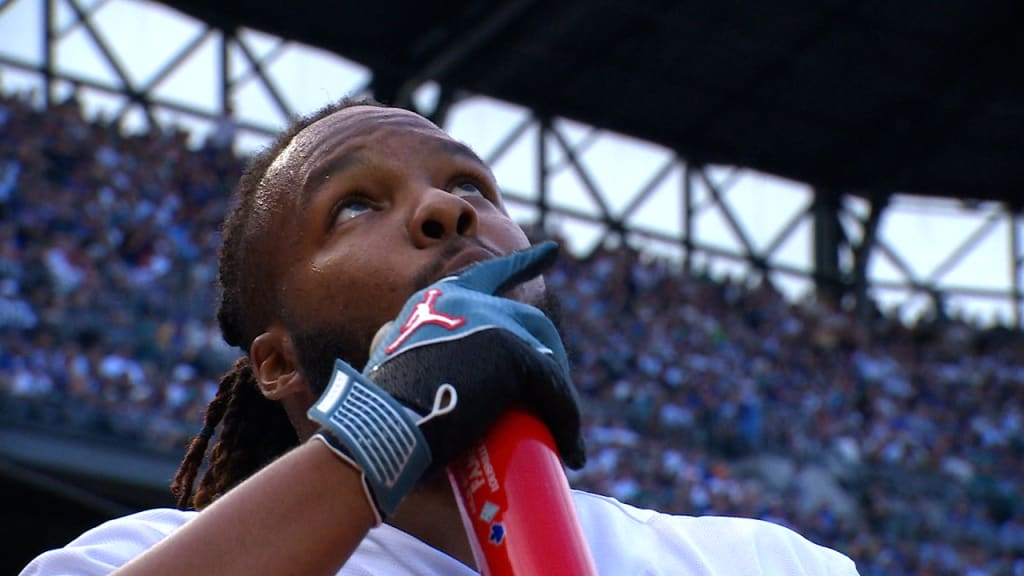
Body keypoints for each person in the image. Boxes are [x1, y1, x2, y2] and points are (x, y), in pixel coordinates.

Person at [21, 98, 860, 575]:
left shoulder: (758, 562)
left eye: (473, 186)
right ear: (276, 365)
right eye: (354, 205)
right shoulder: (134, 559)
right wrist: (385, 431)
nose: (448, 209)